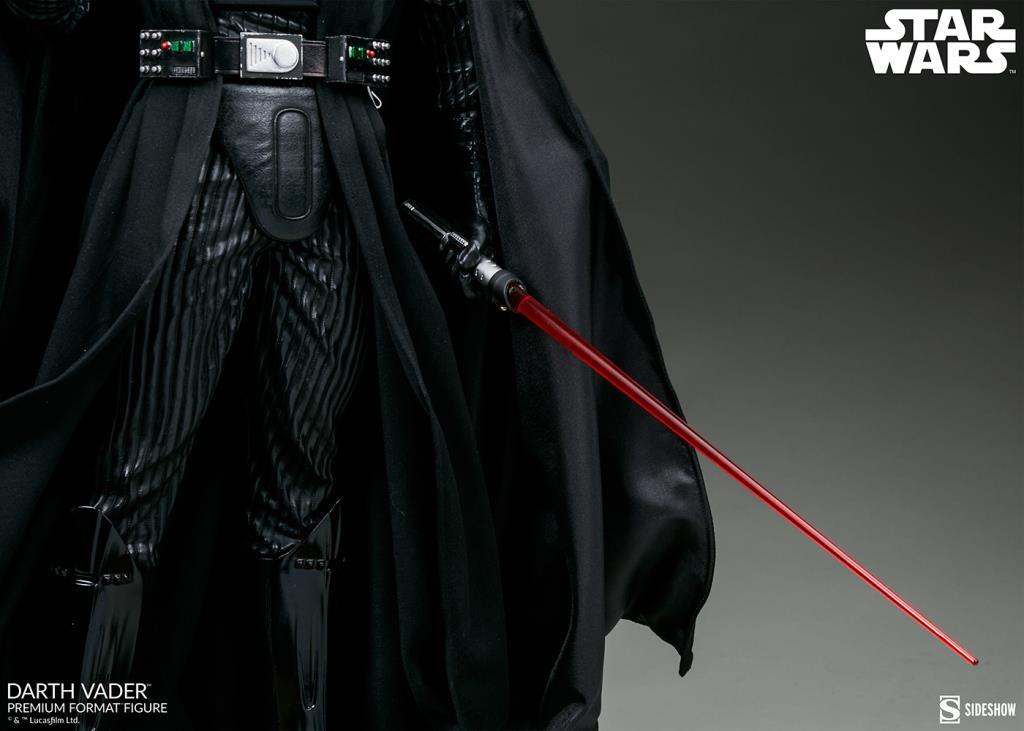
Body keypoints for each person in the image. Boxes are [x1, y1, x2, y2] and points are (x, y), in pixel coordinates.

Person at [0, 1, 715, 729]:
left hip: (336, 167)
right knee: (135, 482)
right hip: (187, 149)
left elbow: (457, 42)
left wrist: (483, 204)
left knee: (301, 494)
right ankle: (79, 714)